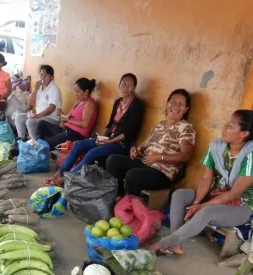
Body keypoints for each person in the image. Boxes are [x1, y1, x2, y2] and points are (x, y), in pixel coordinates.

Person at [150, 110, 253, 255]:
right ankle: (175, 242)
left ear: (244, 134)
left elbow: (234, 193)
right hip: (216, 194)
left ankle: (163, 243)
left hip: (241, 206)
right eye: (227, 123)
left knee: (207, 211)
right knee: (180, 194)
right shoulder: (217, 147)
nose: (224, 127)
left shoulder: (250, 156)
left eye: (231, 125)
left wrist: (201, 206)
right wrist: (196, 202)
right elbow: (206, 178)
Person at [46, 73, 144, 186]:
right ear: (119, 85)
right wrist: (100, 138)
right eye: (123, 84)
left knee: (93, 152)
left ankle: (68, 178)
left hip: (122, 144)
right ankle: (59, 173)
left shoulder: (137, 106)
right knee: (78, 144)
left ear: (135, 87)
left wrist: (108, 142)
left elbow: (129, 134)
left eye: (130, 85)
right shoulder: (118, 102)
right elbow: (110, 125)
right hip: (109, 138)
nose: (126, 88)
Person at [106, 89, 196, 197]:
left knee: (133, 175)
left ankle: (131, 203)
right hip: (146, 163)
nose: (176, 106)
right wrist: (135, 150)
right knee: (112, 160)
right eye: (173, 101)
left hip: (163, 173)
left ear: (186, 109)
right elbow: (144, 146)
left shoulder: (186, 128)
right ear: (167, 104)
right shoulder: (159, 125)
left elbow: (186, 156)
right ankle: (119, 195)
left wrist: (159, 157)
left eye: (181, 104)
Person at [36, 77, 98, 150]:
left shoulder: (90, 104)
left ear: (86, 92)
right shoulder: (79, 102)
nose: (75, 94)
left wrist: (68, 120)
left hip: (75, 135)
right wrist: (62, 115)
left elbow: (85, 124)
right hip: (66, 130)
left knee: (45, 144)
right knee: (41, 124)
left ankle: (40, 149)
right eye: (75, 91)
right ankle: (40, 149)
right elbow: (68, 117)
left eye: (78, 92)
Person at [15, 64, 62, 140]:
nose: (42, 77)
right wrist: (35, 89)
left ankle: (35, 144)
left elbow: (52, 108)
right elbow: (30, 103)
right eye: (41, 75)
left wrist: (38, 116)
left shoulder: (54, 89)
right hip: (40, 116)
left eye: (46, 75)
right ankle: (22, 140)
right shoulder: (39, 87)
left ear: (52, 77)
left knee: (30, 121)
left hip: (52, 119)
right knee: (19, 117)